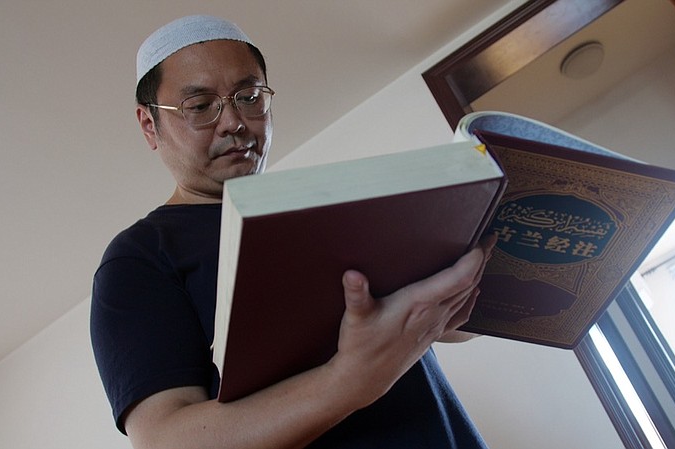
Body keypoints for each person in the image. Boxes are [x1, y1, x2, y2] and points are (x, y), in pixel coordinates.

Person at [91, 15, 494, 449]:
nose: (234, 122)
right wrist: (347, 382)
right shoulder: (140, 258)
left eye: (248, 96)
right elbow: (166, 439)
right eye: (201, 106)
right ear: (150, 125)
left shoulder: (332, 210)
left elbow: (454, 328)